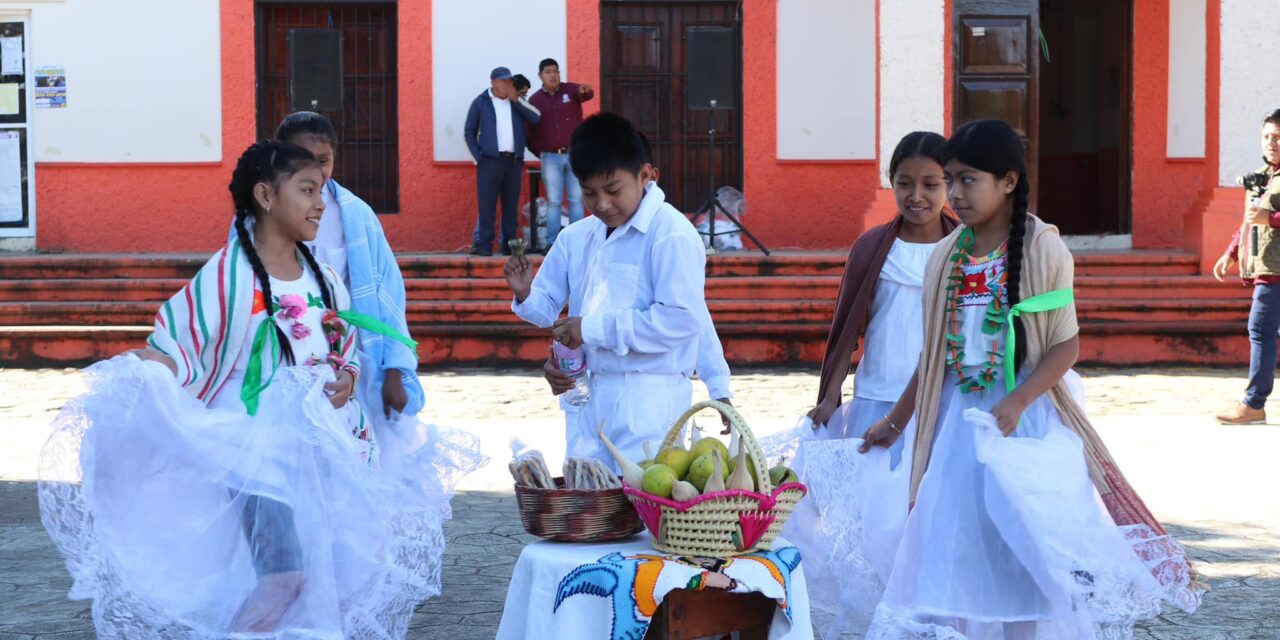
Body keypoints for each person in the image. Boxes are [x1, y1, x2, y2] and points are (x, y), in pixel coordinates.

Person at [38, 140, 482, 639]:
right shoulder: (229, 278)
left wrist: (348, 377)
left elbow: (345, 344)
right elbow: (178, 346)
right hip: (254, 453)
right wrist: (135, 372)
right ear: (266, 196)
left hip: (317, 458)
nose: (320, 203)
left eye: (321, 191)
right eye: (307, 190)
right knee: (284, 577)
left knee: (322, 579)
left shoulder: (325, 278)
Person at [849, 120, 1201, 637]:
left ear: (1008, 181)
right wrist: (896, 421)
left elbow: (1066, 343)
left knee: (1023, 549)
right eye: (952, 180)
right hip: (958, 427)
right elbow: (935, 356)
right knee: (953, 541)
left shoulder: (1042, 247)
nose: (957, 193)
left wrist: (1017, 400)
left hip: (1022, 423)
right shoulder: (948, 255)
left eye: (969, 180)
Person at [785, 132, 956, 637]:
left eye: (931, 183)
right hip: (876, 397)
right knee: (868, 517)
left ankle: (926, 616)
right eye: (905, 183)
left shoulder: (962, 250)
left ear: (951, 186)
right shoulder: (871, 248)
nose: (917, 195)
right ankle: (873, 615)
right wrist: (831, 393)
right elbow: (847, 328)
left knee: (926, 513)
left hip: (938, 403)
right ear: (891, 183)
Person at [504, 112, 715, 466]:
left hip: (649, 400)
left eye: (613, 190)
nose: (602, 204)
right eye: (589, 193)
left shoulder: (671, 234)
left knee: (644, 510)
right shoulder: (575, 236)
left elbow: (682, 320)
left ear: (645, 176)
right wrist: (526, 293)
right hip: (590, 395)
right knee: (592, 509)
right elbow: (547, 313)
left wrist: (590, 328)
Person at [233, 111, 425, 433]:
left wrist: (395, 368)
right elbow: (235, 289)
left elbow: (388, 293)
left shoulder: (357, 216)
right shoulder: (256, 218)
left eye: (323, 161)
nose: (314, 172)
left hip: (351, 370)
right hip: (280, 364)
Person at [1213, 108, 1280, 425]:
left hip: (1275, 273)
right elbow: (1248, 223)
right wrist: (1231, 252)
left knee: (1260, 330)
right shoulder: (1261, 177)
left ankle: (1253, 404)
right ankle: (1254, 403)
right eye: (1267, 137)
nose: (1272, 143)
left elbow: (1264, 219)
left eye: (1278, 137)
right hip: (1266, 269)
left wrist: (1272, 218)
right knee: (1262, 331)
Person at [465, 66, 541, 256]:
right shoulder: (481, 102)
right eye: (503, 81)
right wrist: (478, 158)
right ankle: (484, 245)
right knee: (487, 205)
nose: (507, 85)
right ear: (493, 82)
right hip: (489, 161)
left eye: (509, 82)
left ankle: (508, 245)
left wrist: (517, 101)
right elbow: (469, 132)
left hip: (513, 161)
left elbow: (536, 118)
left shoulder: (516, 102)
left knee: (510, 205)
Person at [527, 58, 594, 249]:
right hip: (550, 158)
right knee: (554, 201)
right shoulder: (535, 100)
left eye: (556, 71)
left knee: (576, 199)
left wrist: (586, 89)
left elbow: (585, 93)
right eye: (548, 72)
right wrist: (541, 152)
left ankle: (579, 242)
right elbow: (530, 132)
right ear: (540, 76)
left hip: (573, 155)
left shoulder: (570, 90)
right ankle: (552, 243)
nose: (553, 75)